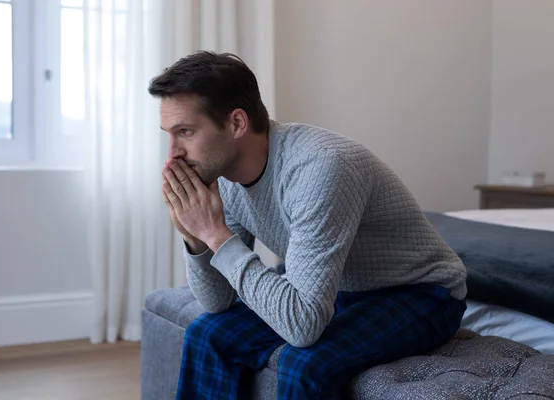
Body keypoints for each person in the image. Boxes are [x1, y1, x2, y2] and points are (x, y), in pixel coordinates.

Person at [148, 51, 467, 400]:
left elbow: (302, 327)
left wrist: (215, 234)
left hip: (419, 293)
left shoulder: (322, 167)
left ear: (237, 124)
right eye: (169, 134)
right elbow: (217, 301)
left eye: (185, 132)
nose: (172, 154)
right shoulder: (221, 175)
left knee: (306, 364)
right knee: (208, 333)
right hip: (337, 288)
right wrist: (193, 235)